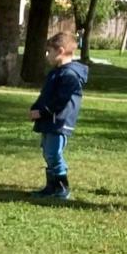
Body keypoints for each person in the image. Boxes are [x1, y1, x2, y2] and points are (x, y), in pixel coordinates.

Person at [29, 30, 87, 201]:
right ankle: (51, 186)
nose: (47, 55)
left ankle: (62, 186)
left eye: (49, 51)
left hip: (59, 122)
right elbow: (46, 95)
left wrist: (43, 111)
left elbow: (60, 101)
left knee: (54, 153)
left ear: (60, 51)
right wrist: (36, 107)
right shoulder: (56, 72)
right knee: (48, 152)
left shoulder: (69, 75)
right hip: (49, 120)